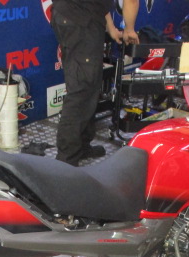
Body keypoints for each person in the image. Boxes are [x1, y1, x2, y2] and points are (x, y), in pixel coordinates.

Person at [51, 0, 140, 166]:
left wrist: (111, 28)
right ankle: (65, 160)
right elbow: (131, 1)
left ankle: (81, 146)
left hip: (71, 15)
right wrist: (129, 29)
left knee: (89, 85)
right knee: (81, 90)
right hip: (80, 21)